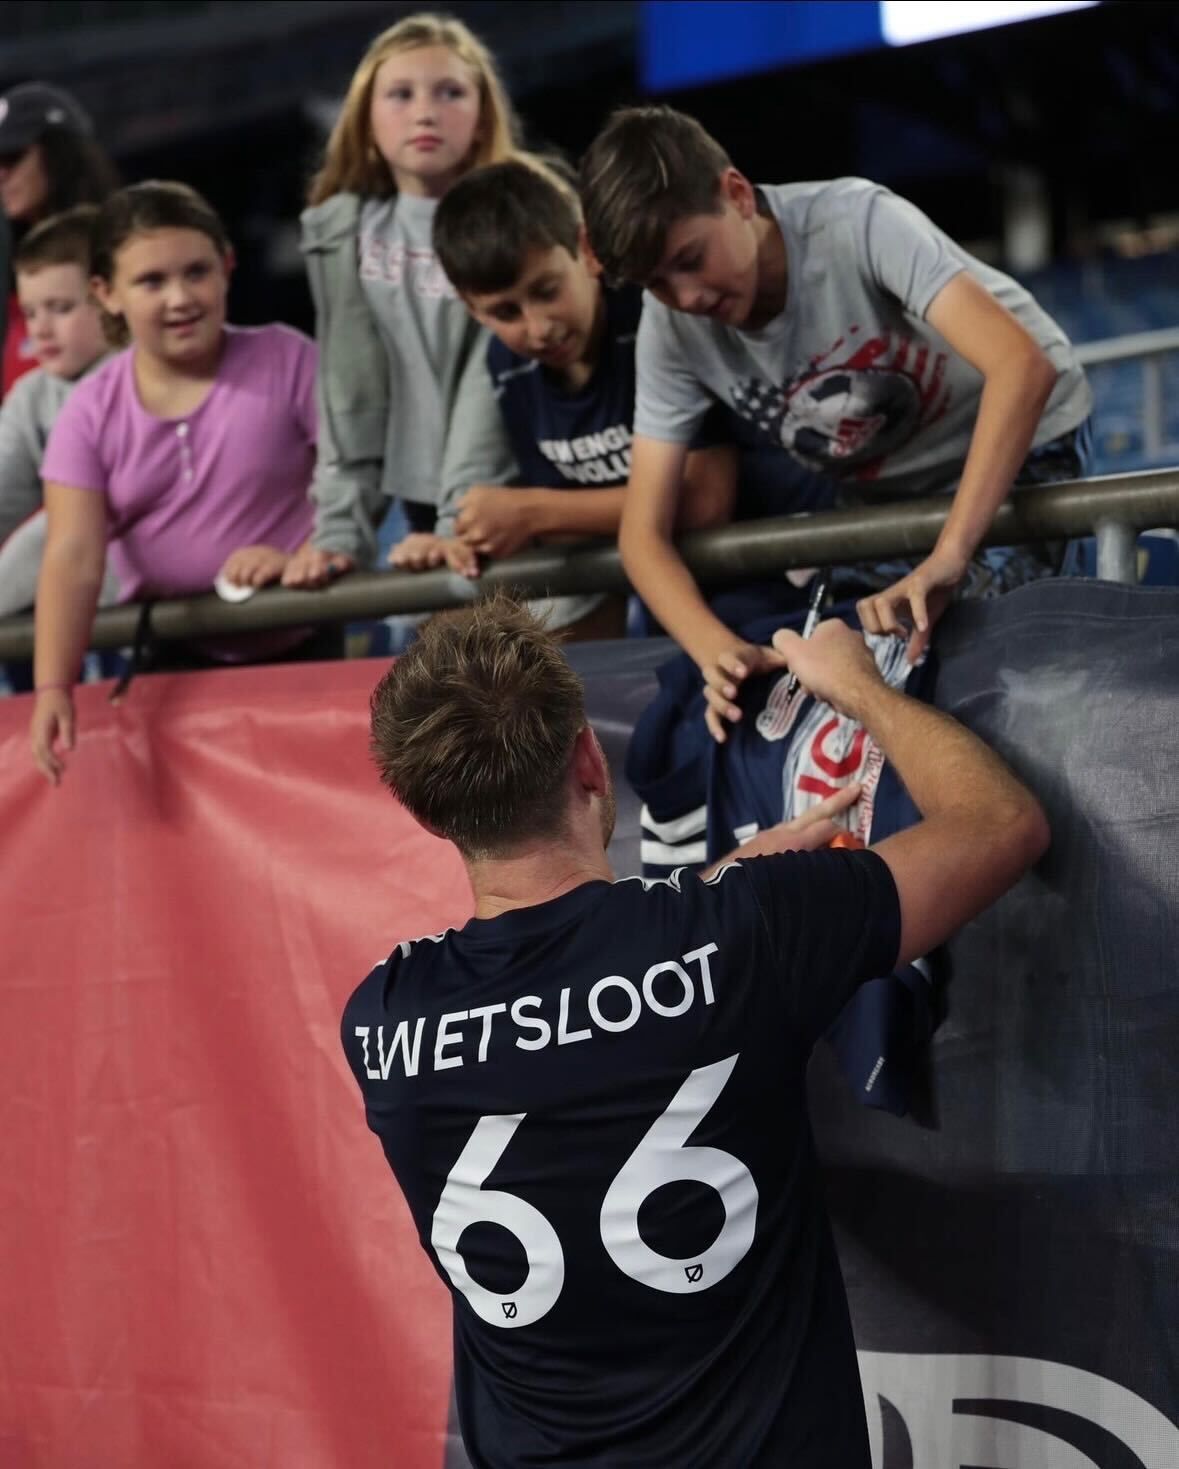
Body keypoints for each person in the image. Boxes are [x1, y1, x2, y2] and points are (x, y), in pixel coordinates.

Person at [342, 591, 1049, 1468]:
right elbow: (1000, 824)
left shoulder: (382, 1017)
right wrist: (854, 687)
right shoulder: (741, 938)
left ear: (429, 812)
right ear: (590, 763)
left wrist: (717, 895)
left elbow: (559, 1019)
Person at [578, 105, 1092, 737]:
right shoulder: (673, 329)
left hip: (1021, 452)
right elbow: (642, 537)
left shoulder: (854, 220)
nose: (687, 298)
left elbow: (1020, 367)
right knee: (816, 673)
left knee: (981, 661)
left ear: (737, 195)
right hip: (887, 493)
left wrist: (949, 555)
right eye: (656, 284)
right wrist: (716, 651)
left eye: (689, 259)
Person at [29, 182, 323, 786]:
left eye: (197, 271)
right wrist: (54, 686)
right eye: (151, 282)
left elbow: (354, 483)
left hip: (315, 651)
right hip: (172, 669)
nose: (181, 297)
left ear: (228, 267)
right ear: (105, 294)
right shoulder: (88, 412)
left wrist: (308, 552)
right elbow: (72, 555)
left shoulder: (288, 357)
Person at [264, 13, 543, 593]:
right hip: (409, 509)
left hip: (512, 502)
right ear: (365, 121)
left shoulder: (515, 222)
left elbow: (489, 383)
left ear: (482, 115)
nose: (425, 112)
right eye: (400, 94)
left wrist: (458, 524)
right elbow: (348, 392)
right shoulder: (341, 233)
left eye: (450, 92)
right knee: (416, 672)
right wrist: (339, 533)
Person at [429, 158, 738, 638]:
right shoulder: (507, 367)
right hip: (661, 603)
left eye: (547, 291)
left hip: (755, 588)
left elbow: (706, 500)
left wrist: (530, 513)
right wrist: (473, 538)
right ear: (471, 309)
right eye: (505, 312)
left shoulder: (654, 320)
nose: (538, 328)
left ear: (587, 251)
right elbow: (566, 527)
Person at [0, 205, 119, 622]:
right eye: (30, 312)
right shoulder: (31, 395)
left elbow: (61, 530)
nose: (40, 330)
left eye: (60, 308)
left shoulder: (143, 376)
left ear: (109, 297)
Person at [0, 82, 118, 399]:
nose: (1, 176)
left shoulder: (122, 253)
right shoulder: (13, 265)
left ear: (60, 154)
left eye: (12, 158)